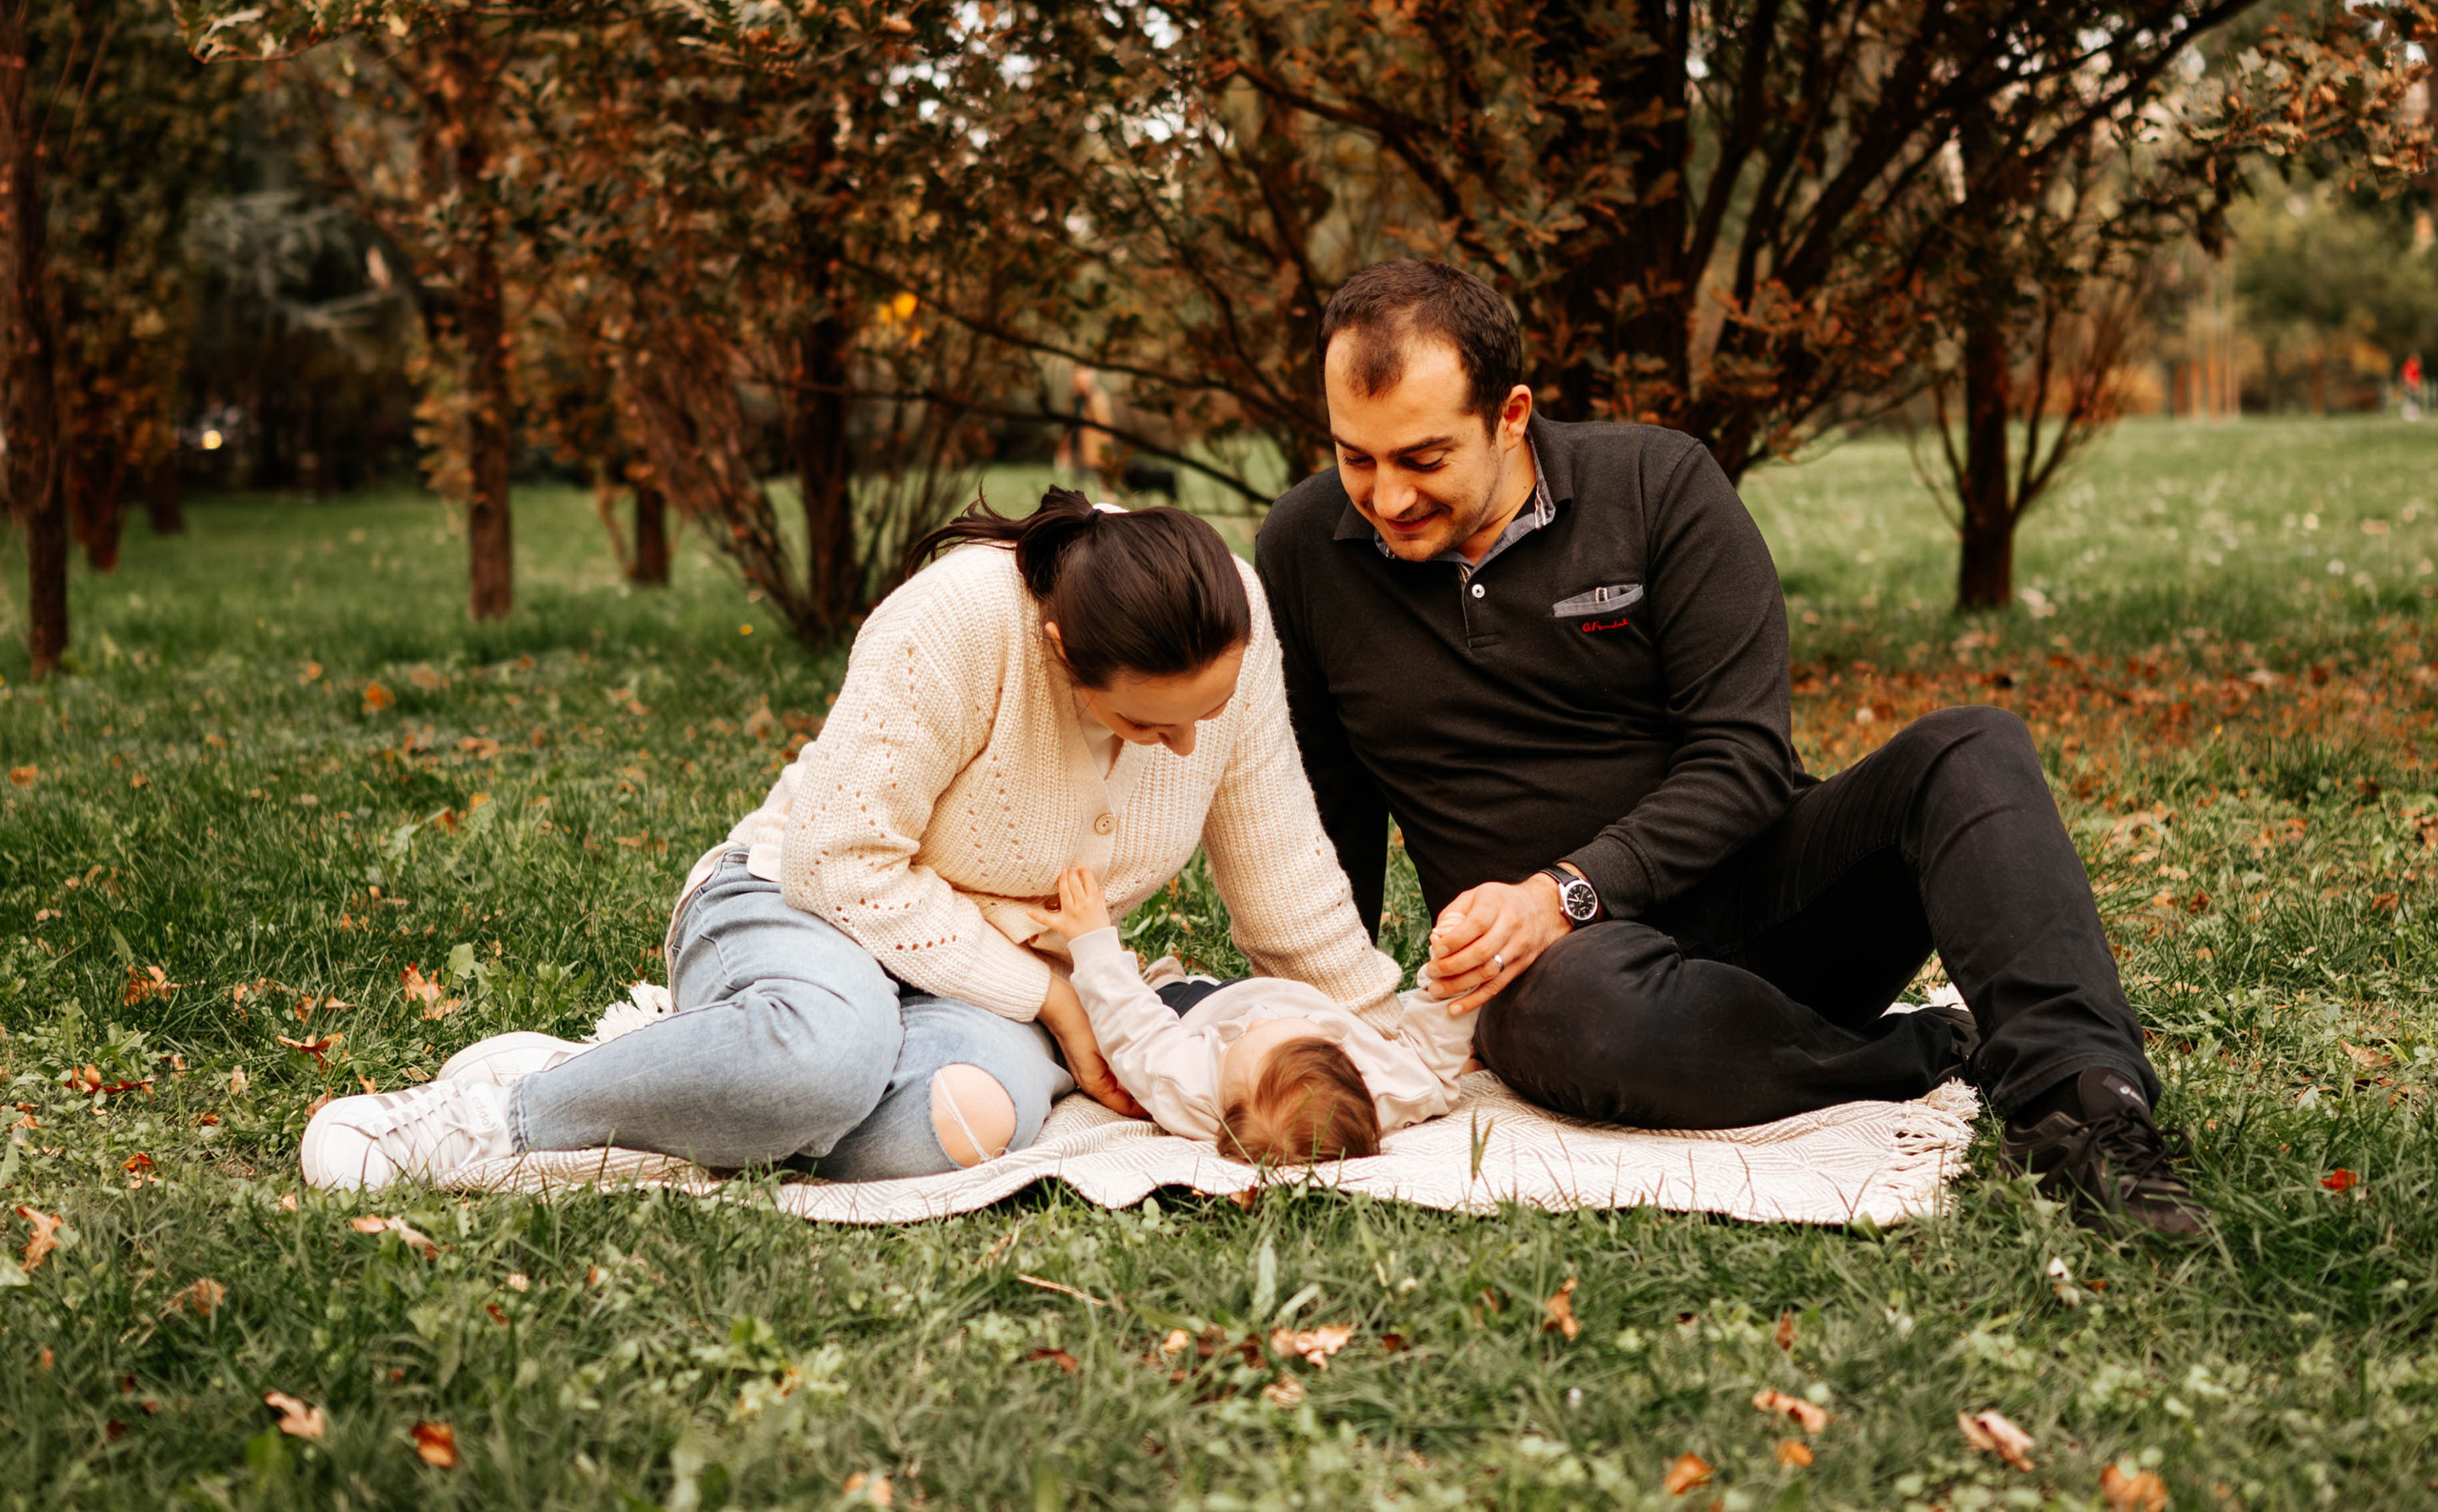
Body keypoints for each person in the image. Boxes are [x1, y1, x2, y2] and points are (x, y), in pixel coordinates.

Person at [1254, 259, 2206, 1236]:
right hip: (1570, 989)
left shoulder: (1659, 487)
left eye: (1421, 458)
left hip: (1774, 909)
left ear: (1511, 415)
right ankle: (1911, 1054)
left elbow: (1744, 759)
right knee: (1568, 1012)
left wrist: (1564, 891)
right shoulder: (1301, 548)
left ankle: (2085, 1114)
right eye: (1353, 458)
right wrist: (1311, 1027)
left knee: (1972, 746)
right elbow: (1325, 809)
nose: (1385, 496)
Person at [301, 489, 1403, 1191]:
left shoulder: (1231, 631)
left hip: (978, 981)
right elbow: (838, 859)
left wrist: (1387, 1038)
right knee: (828, 1053)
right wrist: (1058, 996)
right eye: (1144, 721)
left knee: (960, 1124)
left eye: (1199, 722)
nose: (1180, 747)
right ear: (1066, 652)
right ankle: (507, 1108)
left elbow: (1284, 878)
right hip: (795, 905)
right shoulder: (963, 620)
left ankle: (695, 1088)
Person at [1028, 865, 1476, 1164]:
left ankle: (1162, 980)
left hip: (1194, 1015)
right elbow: (1433, 1063)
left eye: (1243, 1041)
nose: (1257, 1019)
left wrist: (1092, 940)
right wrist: (1451, 974)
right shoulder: (1388, 1089)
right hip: (1279, 995)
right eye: (1274, 1032)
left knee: (1152, 1000)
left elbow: (1135, 1031)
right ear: (1346, 1063)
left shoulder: (1188, 1085)